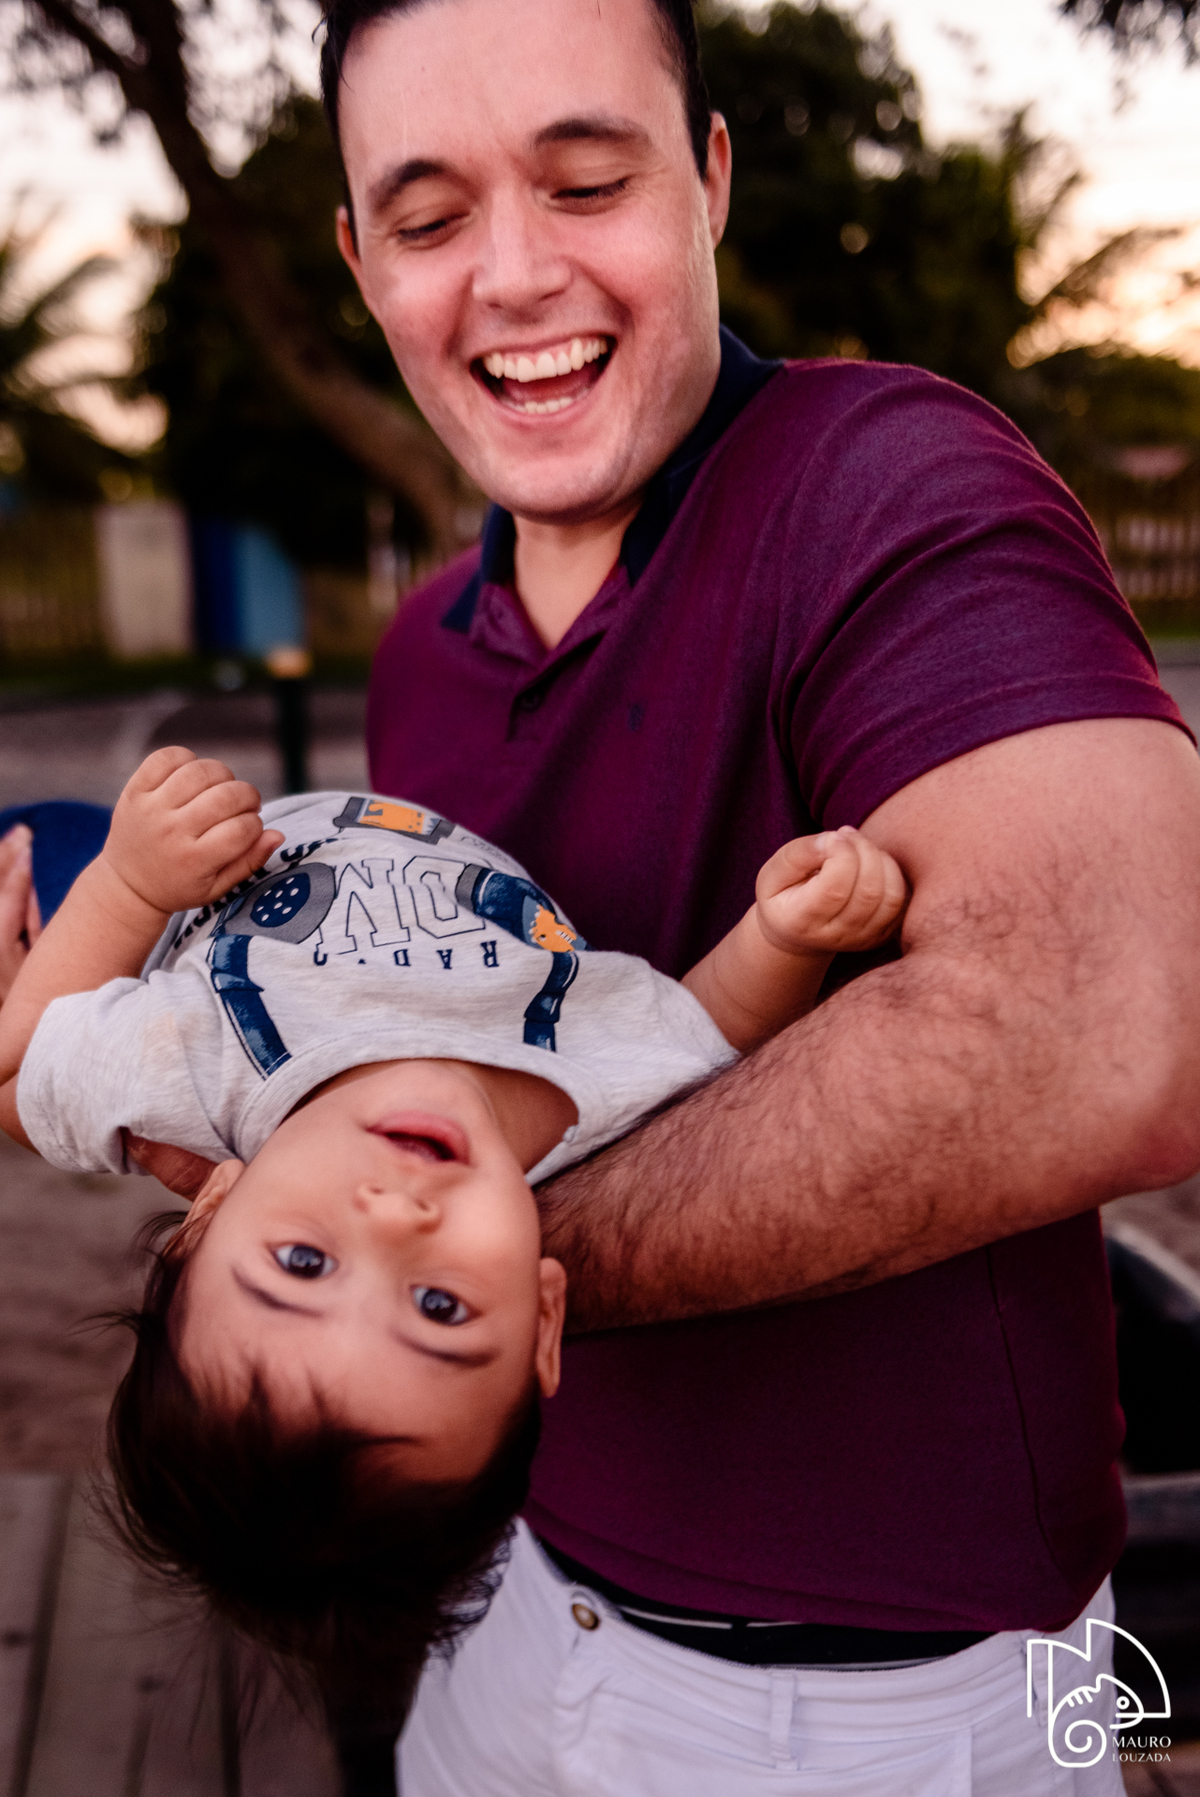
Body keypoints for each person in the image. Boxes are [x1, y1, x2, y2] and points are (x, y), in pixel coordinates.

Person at [322, 0, 1200, 1788]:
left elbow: (1121, 1024)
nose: (510, 275)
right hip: (500, 1609)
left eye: (585, 181)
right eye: (425, 221)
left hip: (886, 1700)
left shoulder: (889, 480)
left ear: (709, 179)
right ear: (358, 260)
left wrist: (443, 1258)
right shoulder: (421, 651)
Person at [0, 747, 905, 1733]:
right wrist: (788, 936)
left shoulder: (195, 1063)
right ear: (544, 1320)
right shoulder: (601, 1096)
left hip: (139, 889)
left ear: (206, 1218)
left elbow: (15, 1077)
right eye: (440, 1307)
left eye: (302, 1263)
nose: (397, 1220)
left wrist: (125, 888)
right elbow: (706, 1025)